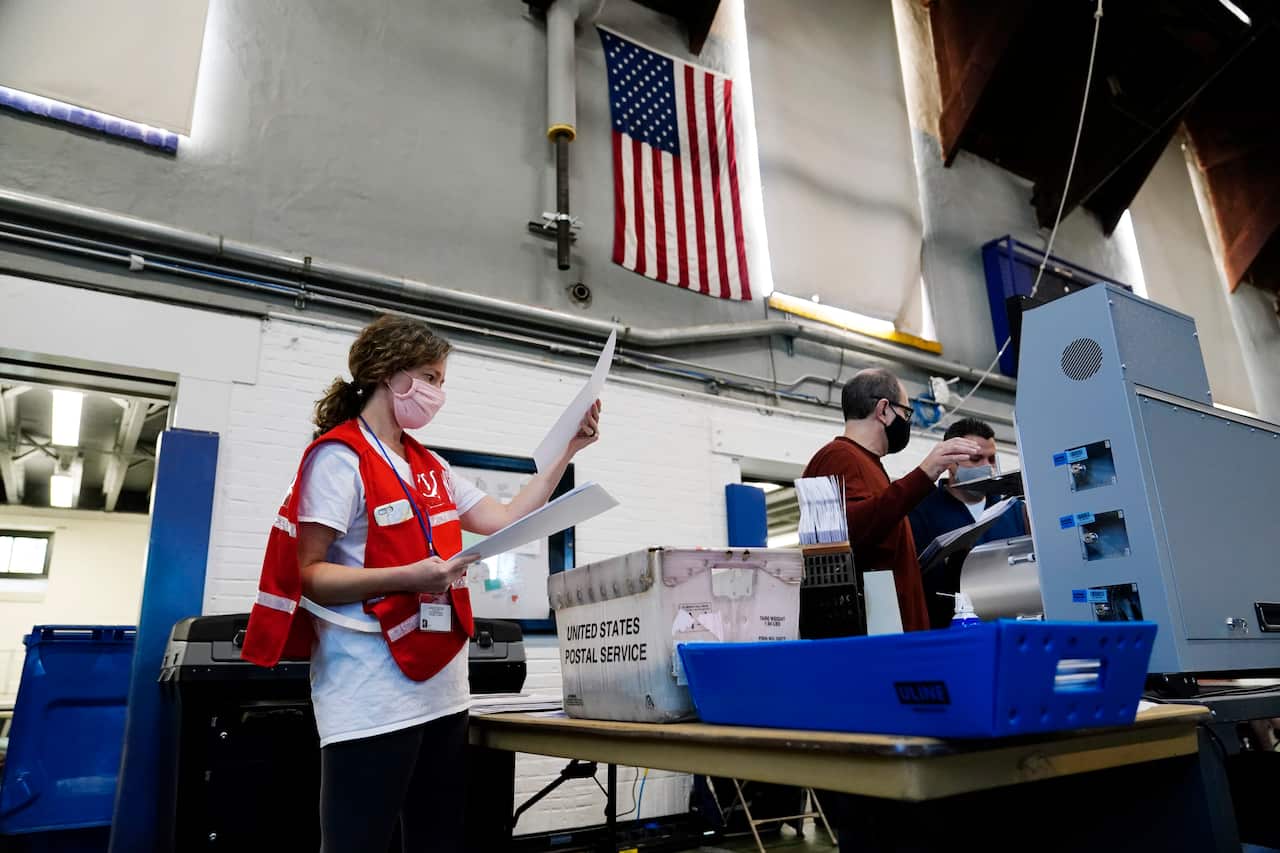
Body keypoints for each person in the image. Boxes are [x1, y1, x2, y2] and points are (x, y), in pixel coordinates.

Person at [240, 315, 602, 853]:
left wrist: (566, 451)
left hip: (442, 688)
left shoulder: (431, 465)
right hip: (370, 692)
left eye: (440, 380)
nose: (438, 392)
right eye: (431, 377)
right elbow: (311, 575)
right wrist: (412, 577)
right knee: (356, 841)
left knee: (437, 838)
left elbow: (505, 520)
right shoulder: (340, 459)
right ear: (391, 375)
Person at [802, 368, 983, 632]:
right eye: (906, 413)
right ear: (884, 410)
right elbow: (851, 532)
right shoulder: (837, 458)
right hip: (876, 641)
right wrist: (924, 474)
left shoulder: (864, 463)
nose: (907, 421)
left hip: (892, 634)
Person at [908, 416, 1028, 629]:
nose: (987, 467)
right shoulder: (921, 512)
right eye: (975, 459)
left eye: (991, 459)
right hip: (948, 631)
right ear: (950, 463)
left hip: (1009, 628)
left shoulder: (1013, 510)